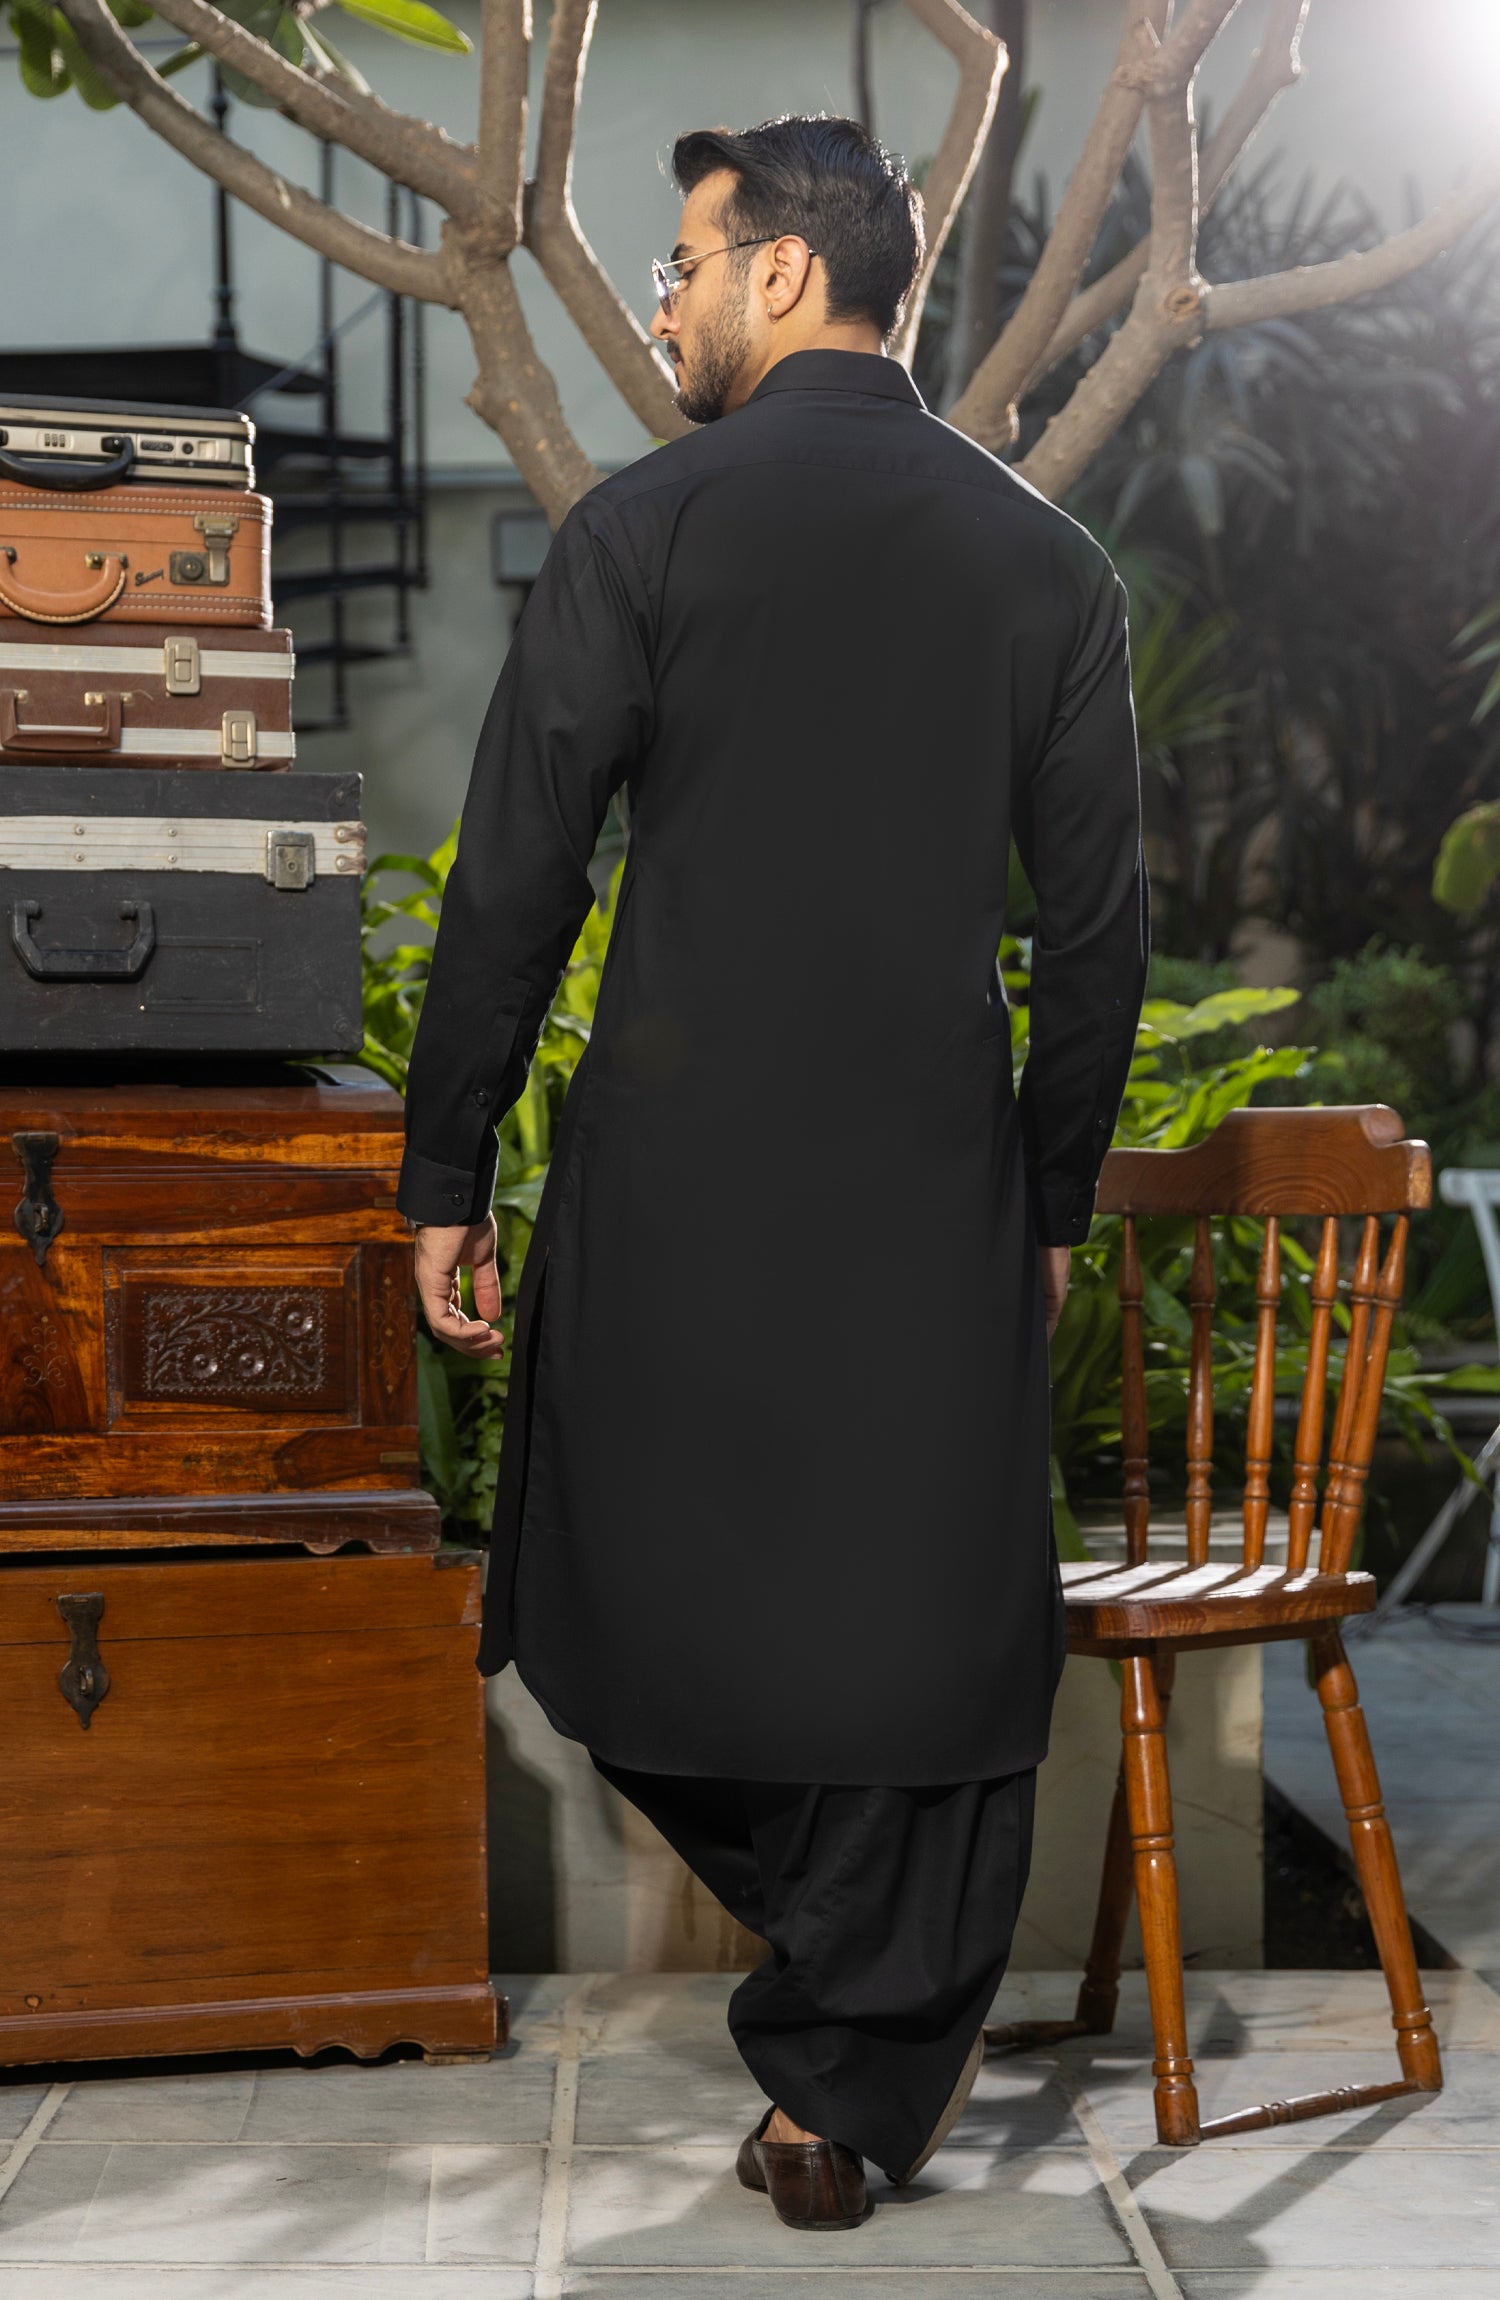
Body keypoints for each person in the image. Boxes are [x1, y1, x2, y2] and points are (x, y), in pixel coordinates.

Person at [398, 114, 1147, 2231]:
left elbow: (517, 878)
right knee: (924, 1644)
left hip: (676, 1196)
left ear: (785, 276)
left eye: (684, 264)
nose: (664, 303)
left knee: (601, 1597)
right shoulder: (1048, 566)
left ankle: (832, 2082)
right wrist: (1053, 1204)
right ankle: (857, 2007)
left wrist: (444, 1165)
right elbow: (1101, 941)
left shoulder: (643, 530)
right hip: (934, 1198)